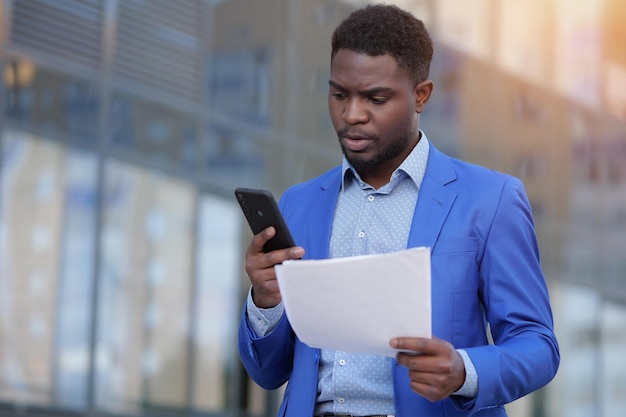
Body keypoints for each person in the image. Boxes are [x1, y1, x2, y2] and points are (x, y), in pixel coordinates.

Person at [238, 4, 560, 417]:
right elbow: (267, 372)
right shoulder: (299, 204)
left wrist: (464, 371)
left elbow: (538, 345)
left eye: (375, 98)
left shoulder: (490, 199)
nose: (352, 115)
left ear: (421, 95)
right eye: (339, 94)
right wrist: (265, 301)